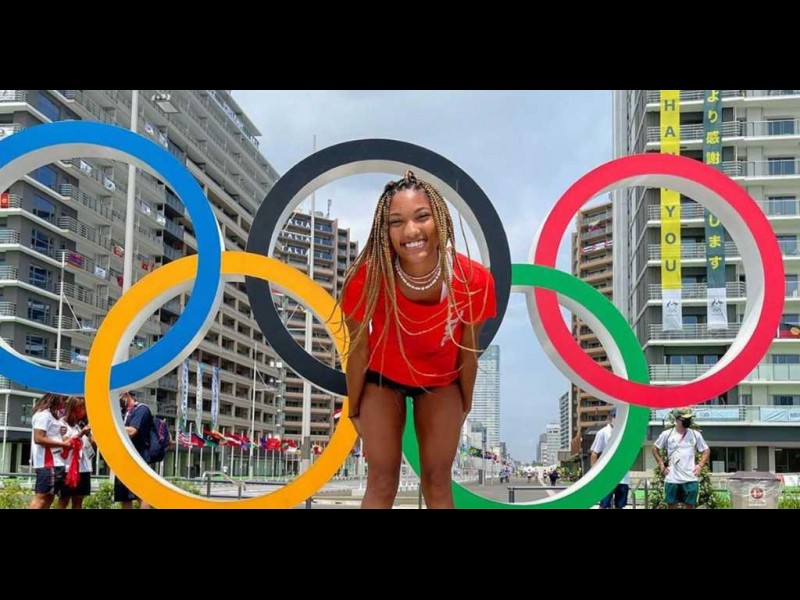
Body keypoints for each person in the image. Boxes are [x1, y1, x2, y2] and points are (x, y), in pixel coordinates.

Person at [340, 171, 497, 509]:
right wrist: (354, 409)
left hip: (441, 382)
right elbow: (358, 349)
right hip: (383, 380)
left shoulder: (474, 280)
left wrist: (463, 405)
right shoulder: (366, 279)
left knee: (437, 482)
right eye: (396, 222)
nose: (411, 231)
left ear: (439, 219)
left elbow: (468, 352)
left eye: (422, 216)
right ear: (385, 232)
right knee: (382, 479)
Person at [652, 408, 710, 509]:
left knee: (690, 506)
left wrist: (700, 465)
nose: (688, 421)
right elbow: (654, 448)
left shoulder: (695, 434)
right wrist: (661, 464)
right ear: (677, 420)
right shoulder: (667, 434)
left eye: (690, 419)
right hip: (672, 478)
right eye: (685, 419)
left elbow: (706, 450)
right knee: (671, 505)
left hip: (690, 478)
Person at [28, 393, 71, 509]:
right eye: (63, 399)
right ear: (55, 398)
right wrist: (63, 444)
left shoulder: (52, 416)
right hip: (47, 463)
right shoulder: (44, 415)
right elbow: (38, 438)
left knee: (49, 496)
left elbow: (50, 435)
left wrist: (60, 433)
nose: (65, 403)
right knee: (41, 497)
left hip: (55, 462)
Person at [114, 391, 153, 509]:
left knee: (141, 494)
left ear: (126, 394)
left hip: (139, 459)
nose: (117, 401)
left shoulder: (141, 410)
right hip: (123, 459)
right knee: (125, 496)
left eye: (118, 397)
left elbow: (132, 431)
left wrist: (112, 424)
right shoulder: (122, 412)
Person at [57, 396, 95, 509]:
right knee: (64, 500)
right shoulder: (62, 424)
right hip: (68, 468)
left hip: (84, 467)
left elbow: (93, 443)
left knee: (78, 500)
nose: (84, 411)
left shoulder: (81, 424)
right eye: (81, 408)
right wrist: (81, 433)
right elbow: (66, 444)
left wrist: (89, 432)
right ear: (73, 408)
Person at [590, 406, 631, 509]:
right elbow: (594, 453)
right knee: (604, 505)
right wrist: (594, 473)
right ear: (610, 417)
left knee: (620, 506)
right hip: (607, 476)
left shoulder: (626, 432)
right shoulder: (603, 432)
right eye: (615, 416)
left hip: (623, 477)